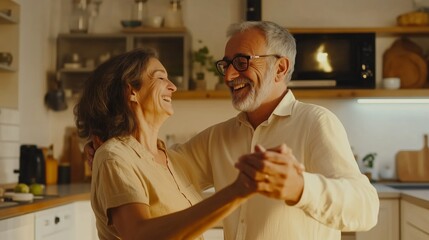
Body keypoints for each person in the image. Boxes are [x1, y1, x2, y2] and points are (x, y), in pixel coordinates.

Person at [86, 21, 379, 240]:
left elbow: (366, 209)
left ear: (280, 68)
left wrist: (301, 188)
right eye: (225, 65)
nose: (228, 75)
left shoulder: (315, 122)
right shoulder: (219, 137)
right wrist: (111, 148)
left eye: (241, 62)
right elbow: (156, 166)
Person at [74, 48, 296, 240]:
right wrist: (237, 191)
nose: (172, 87)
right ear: (132, 90)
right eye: (161, 78)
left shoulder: (172, 159)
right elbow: (139, 236)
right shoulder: (115, 156)